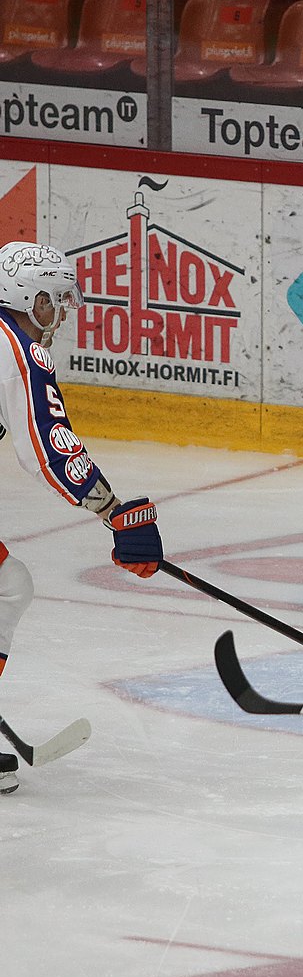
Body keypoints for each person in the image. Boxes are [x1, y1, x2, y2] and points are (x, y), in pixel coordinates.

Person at [0, 241, 163, 795]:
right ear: (31, 296)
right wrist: (113, 511)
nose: (61, 312)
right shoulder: (17, 347)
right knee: (5, 587)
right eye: (56, 300)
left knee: (6, 585)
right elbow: (45, 446)